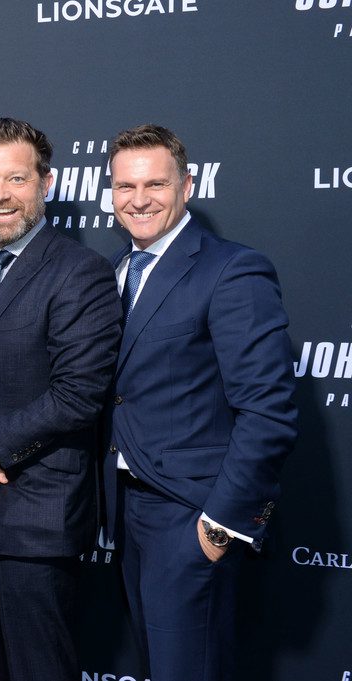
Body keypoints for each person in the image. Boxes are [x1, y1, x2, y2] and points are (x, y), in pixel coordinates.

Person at [102, 123, 297, 681]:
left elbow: (268, 412)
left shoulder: (232, 270)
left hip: (189, 515)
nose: (139, 200)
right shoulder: (117, 270)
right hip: (126, 511)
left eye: (156, 185)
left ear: (187, 186)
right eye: (125, 187)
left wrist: (218, 528)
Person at [0, 117, 121, 681]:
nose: (0, 194)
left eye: (16, 179)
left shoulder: (80, 271)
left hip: (38, 515)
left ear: (46, 183)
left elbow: (77, 395)